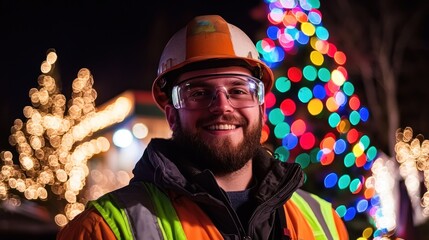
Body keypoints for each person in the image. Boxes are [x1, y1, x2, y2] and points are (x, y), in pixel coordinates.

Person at [57, 15, 349, 240]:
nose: (222, 106)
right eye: (197, 93)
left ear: (260, 108)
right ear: (171, 115)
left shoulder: (325, 223)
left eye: (238, 90)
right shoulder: (104, 230)